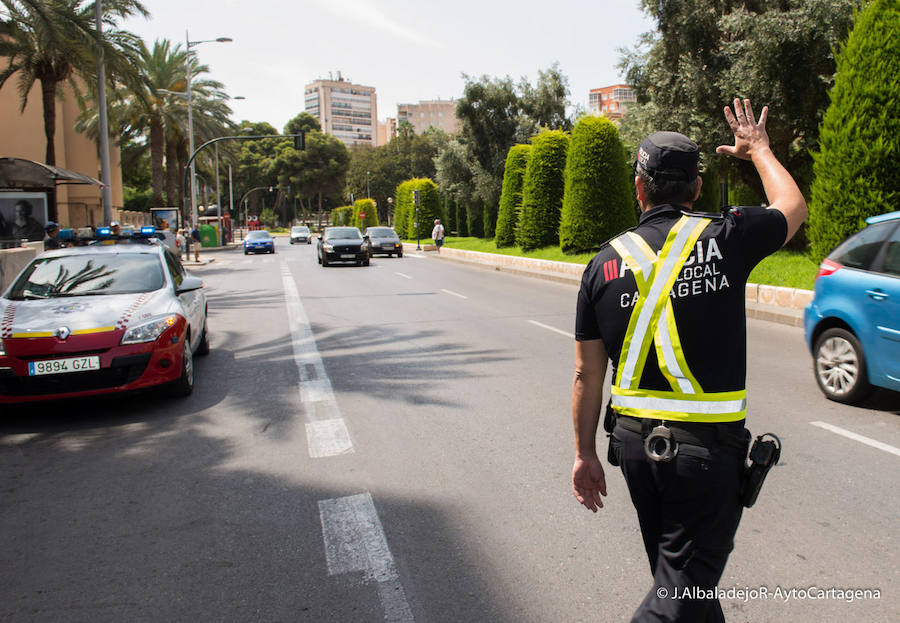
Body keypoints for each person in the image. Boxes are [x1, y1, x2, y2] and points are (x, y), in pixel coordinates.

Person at [570, 99, 807, 623]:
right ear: (697, 187)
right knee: (680, 593)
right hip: (706, 456)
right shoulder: (728, 237)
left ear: (639, 189)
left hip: (633, 451)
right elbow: (792, 205)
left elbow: (587, 373)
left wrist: (584, 453)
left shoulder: (602, 265)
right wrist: (760, 150)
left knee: (682, 586)